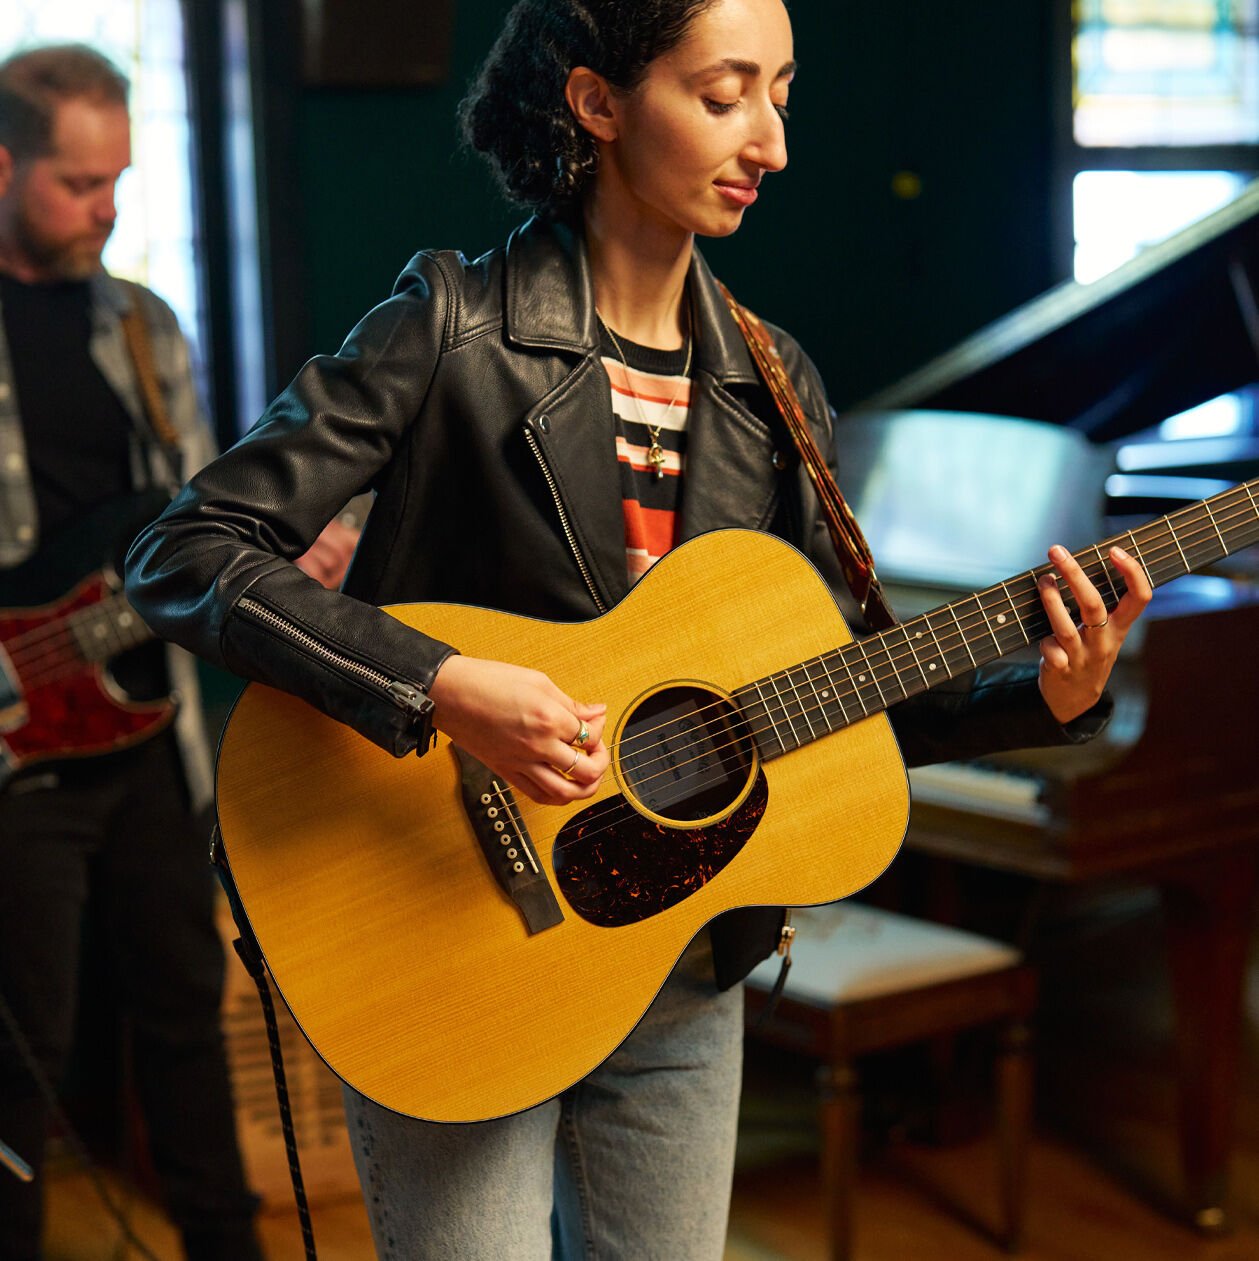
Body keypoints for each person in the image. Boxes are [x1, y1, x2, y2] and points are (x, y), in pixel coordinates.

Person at [125, 1, 1152, 1256]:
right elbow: (185, 551)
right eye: (723, 96)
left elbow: (837, 696)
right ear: (596, 102)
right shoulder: (447, 326)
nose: (769, 143)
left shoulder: (774, 384)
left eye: (780, 95)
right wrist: (441, 685)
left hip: (681, 966)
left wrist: (1043, 696)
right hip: (451, 937)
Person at [0, 44, 269, 1261]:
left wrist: (282, 555)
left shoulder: (146, 325)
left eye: (118, 180)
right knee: (22, 1049)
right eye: (78, 184)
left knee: (186, 1016)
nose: (106, 208)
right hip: (21, 762)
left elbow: (204, 524)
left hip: (154, 734)